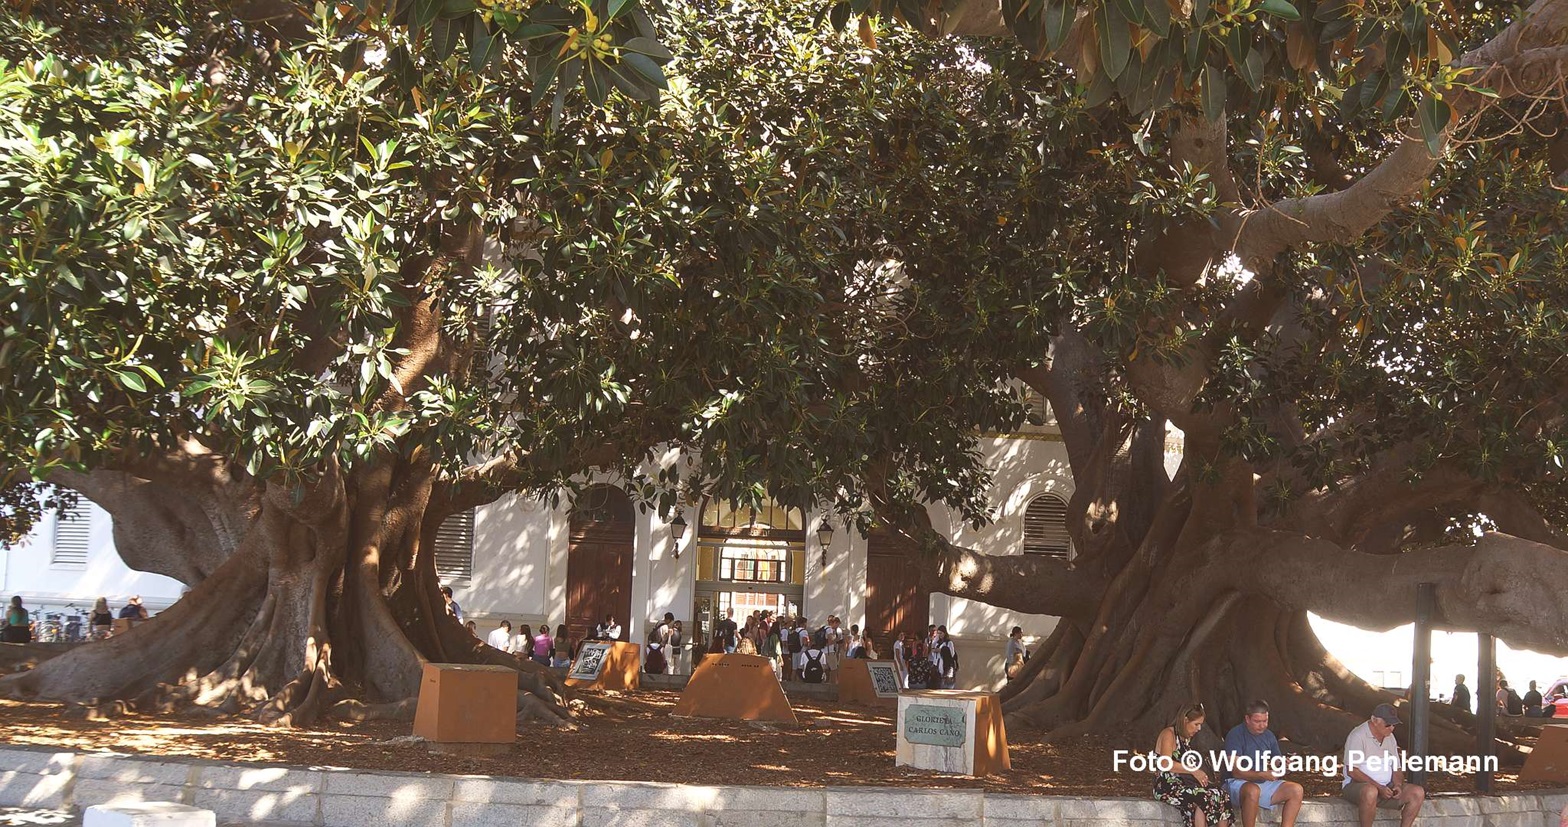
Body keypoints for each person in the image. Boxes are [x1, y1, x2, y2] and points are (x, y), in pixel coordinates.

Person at [1222, 700, 1304, 827]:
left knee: (1296, 790)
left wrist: (1284, 764)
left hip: (1262, 783)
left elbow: (1277, 760)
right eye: (1257, 721)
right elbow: (1236, 771)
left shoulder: (1269, 735)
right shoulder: (1235, 735)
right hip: (1235, 783)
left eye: (1265, 721)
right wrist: (1262, 775)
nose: (1262, 726)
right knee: (1252, 790)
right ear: (1247, 719)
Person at [1342, 703, 1425, 827]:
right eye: (1388, 724)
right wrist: (1379, 787)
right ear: (1374, 720)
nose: (1391, 728)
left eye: (1393, 725)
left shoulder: (1390, 738)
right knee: (1370, 792)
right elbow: (1353, 771)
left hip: (1386, 787)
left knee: (1417, 792)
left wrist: (1397, 785)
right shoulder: (1358, 736)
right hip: (1358, 786)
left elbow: (1396, 768)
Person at [1153, 702, 1231, 827]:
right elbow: (1165, 763)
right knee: (1205, 797)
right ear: (1185, 720)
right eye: (1196, 724)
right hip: (1168, 787)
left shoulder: (1185, 739)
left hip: (1186, 784)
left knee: (1221, 795)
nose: (1199, 729)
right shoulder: (1169, 734)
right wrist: (1193, 770)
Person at [930, 625, 958, 690]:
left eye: (941, 633)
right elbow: (933, 653)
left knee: (946, 685)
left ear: (944, 633)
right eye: (938, 633)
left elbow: (951, 654)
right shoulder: (937, 643)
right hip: (938, 666)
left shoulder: (949, 643)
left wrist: (941, 650)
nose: (940, 635)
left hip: (946, 665)